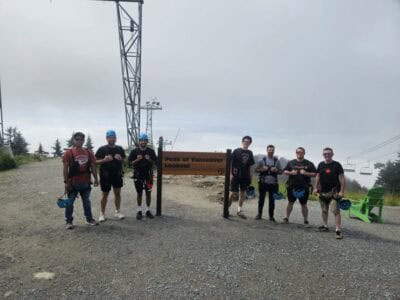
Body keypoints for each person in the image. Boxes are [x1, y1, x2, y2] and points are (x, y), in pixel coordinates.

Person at [63, 132, 99, 229]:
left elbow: (93, 166)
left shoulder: (88, 152)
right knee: (70, 203)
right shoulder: (68, 153)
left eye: (81, 139)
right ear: (73, 140)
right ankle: (69, 221)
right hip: (73, 183)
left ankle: (89, 219)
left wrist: (96, 178)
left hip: (86, 182)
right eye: (77, 139)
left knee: (86, 202)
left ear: (84, 140)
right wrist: (66, 182)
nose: (79, 141)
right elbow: (65, 168)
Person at [313, 147, 345, 239]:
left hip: (334, 193)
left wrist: (342, 191)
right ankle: (325, 226)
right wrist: (315, 188)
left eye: (329, 153)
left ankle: (338, 230)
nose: (327, 155)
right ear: (323, 155)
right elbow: (317, 176)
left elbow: (342, 178)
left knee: (335, 210)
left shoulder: (337, 165)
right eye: (325, 153)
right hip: (322, 192)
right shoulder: (320, 164)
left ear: (332, 154)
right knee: (324, 210)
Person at [95, 130, 126, 222]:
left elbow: (125, 161)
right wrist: (104, 160)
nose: (112, 139)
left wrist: (121, 159)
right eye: (110, 137)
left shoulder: (120, 149)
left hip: (117, 175)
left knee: (117, 194)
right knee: (105, 195)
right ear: (107, 138)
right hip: (105, 176)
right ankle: (102, 214)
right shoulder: (102, 149)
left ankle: (117, 212)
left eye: (113, 137)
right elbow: (94, 162)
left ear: (116, 138)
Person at [283, 147, 316, 224]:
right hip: (292, 186)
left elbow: (315, 174)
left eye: (301, 152)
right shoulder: (291, 162)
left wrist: (306, 173)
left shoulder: (309, 163)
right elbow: (284, 171)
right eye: (298, 152)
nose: (299, 153)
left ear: (304, 153)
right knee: (290, 202)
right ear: (296, 153)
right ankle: (286, 217)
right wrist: (291, 173)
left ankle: (305, 220)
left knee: (304, 204)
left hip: (304, 187)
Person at [128, 133, 157, 220]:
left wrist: (149, 159)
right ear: (139, 141)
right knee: (139, 193)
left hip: (148, 175)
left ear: (147, 141)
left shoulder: (151, 151)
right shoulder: (134, 151)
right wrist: (137, 159)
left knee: (148, 193)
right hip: (138, 174)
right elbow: (129, 163)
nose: (143, 142)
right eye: (141, 140)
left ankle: (148, 210)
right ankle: (139, 211)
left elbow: (155, 163)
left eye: (145, 140)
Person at [228, 136, 255, 219]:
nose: (246, 142)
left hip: (245, 176)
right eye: (245, 141)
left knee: (242, 193)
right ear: (242, 142)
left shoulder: (250, 153)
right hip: (235, 175)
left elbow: (251, 166)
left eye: (248, 141)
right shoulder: (236, 151)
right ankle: (226, 209)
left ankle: (239, 210)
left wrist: (251, 176)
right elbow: (230, 162)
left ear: (250, 143)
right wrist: (230, 174)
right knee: (232, 193)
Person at [255, 145, 282, 222]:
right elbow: (256, 170)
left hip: (273, 183)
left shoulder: (277, 161)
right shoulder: (261, 160)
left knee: (272, 200)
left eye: (272, 150)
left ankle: (271, 216)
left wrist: (276, 170)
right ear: (267, 150)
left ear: (274, 151)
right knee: (261, 199)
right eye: (269, 150)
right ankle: (259, 214)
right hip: (263, 182)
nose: (271, 151)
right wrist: (262, 169)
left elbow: (281, 171)